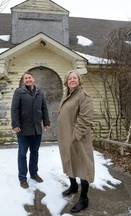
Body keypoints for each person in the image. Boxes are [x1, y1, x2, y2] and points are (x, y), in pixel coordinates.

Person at [57, 70, 95, 213]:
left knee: (83, 166)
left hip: (78, 139)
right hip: (65, 138)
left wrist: (75, 137)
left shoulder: (83, 96)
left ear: (79, 80)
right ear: (66, 82)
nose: (72, 80)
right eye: (69, 78)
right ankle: (73, 186)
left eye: (75, 78)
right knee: (69, 162)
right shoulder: (67, 94)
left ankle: (84, 199)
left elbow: (86, 119)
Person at [11, 71, 50, 189]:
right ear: (23, 81)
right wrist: (15, 124)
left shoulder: (39, 92)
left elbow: (44, 108)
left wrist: (46, 122)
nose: (28, 79)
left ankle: (34, 174)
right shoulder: (19, 92)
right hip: (23, 130)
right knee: (22, 154)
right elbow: (14, 109)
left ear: (33, 79)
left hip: (37, 129)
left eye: (30, 77)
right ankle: (22, 178)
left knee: (35, 153)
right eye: (26, 78)